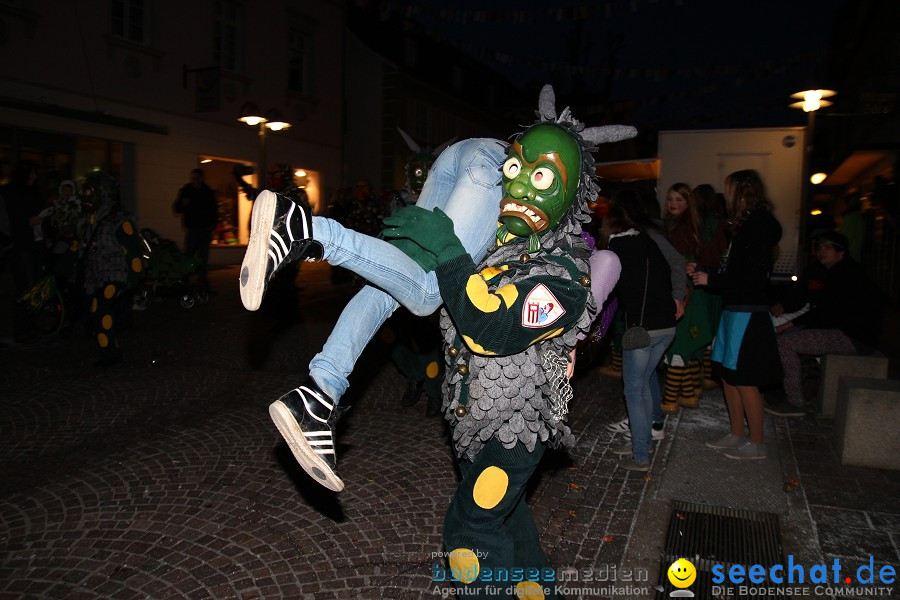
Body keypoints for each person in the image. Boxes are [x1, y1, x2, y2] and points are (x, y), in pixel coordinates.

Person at [239, 84, 635, 597]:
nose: (516, 188)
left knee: (474, 533)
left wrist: (451, 251)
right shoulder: (505, 244)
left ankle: (319, 389)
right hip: (481, 418)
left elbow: (490, 325)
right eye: (517, 171)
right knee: (415, 289)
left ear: (574, 193)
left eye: (539, 178)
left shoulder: (562, 278)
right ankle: (306, 237)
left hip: (507, 431)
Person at [692, 169, 783, 460]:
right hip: (734, 310)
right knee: (728, 376)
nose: (725, 194)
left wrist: (713, 281)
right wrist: (707, 272)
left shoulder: (756, 228)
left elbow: (750, 277)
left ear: (741, 192)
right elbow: (735, 270)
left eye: (729, 189)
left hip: (749, 313)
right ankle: (737, 433)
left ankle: (757, 442)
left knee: (744, 378)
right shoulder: (743, 228)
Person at [765, 231, 881, 416]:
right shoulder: (833, 271)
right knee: (790, 336)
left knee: (785, 342)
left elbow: (824, 312)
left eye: (827, 247)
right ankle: (794, 389)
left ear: (841, 252)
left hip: (854, 337)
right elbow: (811, 306)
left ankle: (795, 402)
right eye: (819, 248)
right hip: (843, 330)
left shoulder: (846, 274)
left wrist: (786, 326)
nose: (821, 252)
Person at [604, 189, 677, 471]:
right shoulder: (651, 240)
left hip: (641, 330)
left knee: (634, 391)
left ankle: (641, 455)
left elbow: (606, 289)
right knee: (645, 385)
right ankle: (642, 441)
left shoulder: (617, 247)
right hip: (667, 326)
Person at [660, 183, 728, 411]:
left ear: (689, 203)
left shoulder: (686, 227)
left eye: (679, 200)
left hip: (685, 292)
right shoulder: (671, 224)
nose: (673, 204)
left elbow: (687, 259)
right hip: (682, 289)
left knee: (680, 342)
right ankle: (689, 394)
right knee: (682, 342)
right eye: (670, 199)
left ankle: (669, 400)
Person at [69, 171, 144, 366]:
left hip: (115, 274)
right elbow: (78, 247)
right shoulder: (86, 221)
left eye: (90, 191)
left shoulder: (118, 219)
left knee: (100, 307)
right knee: (96, 311)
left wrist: (134, 277)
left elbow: (133, 250)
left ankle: (110, 355)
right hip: (95, 275)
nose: (85, 196)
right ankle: (110, 352)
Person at [173, 168, 218, 291]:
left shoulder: (208, 192)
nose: (194, 181)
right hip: (192, 229)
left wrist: (212, 226)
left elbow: (214, 210)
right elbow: (177, 208)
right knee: (189, 255)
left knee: (203, 257)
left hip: (205, 230)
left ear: (201, 179)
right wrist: (184, 204)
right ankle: (185, 279)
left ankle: (202, 280)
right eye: (193, 178)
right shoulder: (186, 191)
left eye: (197, 178)